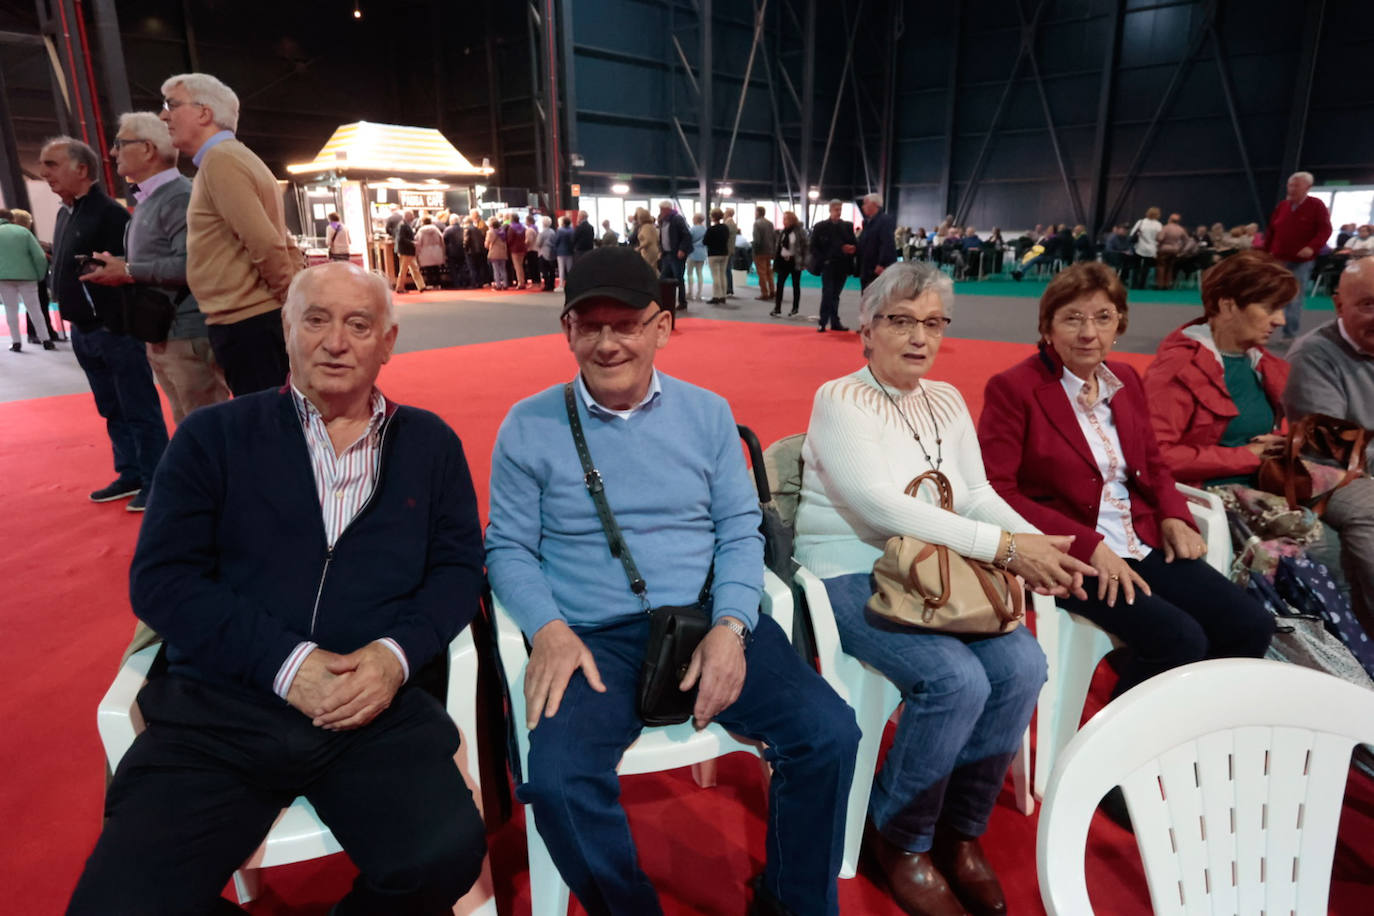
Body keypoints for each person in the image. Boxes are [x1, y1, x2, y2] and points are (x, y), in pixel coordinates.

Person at [66, 261, 488, 915]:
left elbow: (459, 570)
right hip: (222, 709)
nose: (335, 341)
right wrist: (286, 666)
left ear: (388, 342)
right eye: (315, 319)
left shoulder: (429, 444)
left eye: (358, 324)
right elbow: (162, 580)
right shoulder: (214, 437)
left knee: (443, 856)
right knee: (116, 903)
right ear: (286, 331)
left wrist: (394, 657)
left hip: (371, 708)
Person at [485, 245, 859, 916]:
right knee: (560, 782)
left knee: (830, 733)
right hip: (591, 637)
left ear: (662, 327)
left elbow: (739, 531)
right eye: (588, 324)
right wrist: (548, 628)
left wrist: (732, 625)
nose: (607, 343)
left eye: (625, 323)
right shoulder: (528, 425)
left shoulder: (707, 414)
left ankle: (795, 902)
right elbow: (507, 547)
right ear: (566, 329)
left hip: (703, 618)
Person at [795, 260, 1091, 916]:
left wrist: (1035, 543)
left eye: (933, 322)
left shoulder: (948, 399)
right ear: (865, 330)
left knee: (1022, 667)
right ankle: (899, 837)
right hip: (854, 569)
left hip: (938, 571)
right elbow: (880, 508)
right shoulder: (839, 399)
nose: (919, 337)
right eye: (901, 321)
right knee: (955, 681)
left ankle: (960, 831)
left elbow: (978, 494)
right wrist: (1009, 550)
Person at [978, 262, 1273, 705]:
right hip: (1069, 553)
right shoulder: (1014, 388)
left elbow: (1153, 462)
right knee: (1178, 639)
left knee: (1251, 625)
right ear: (1047, 327)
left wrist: (1173, 515)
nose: (1088, 332)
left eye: (1103, 317)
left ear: (1120, 324)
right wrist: (1086, 544)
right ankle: (1110, 761)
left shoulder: (1126, 380)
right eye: (1072, 318)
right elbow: (999, 489)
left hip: (1141, 539)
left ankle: (1191, 729)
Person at [40, 137, 170, 510]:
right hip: (82, 329)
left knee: (137, 406)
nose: (45, 172)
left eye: (52, 164)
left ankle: (154, 479)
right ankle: (130, 472)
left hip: (115, 328)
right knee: (111, 407)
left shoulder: (110, 214)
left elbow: (133, 267)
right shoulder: (67, 213)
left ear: (81, 170)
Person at [80, 112, 228, 426]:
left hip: (186, 335)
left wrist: (128, 270)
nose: (113, 152)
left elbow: (192, 265)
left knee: (206, 429)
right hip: (165, 333)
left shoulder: (179, 198)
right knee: (192, 427)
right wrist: (120, 267)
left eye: (120, 143)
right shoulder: (154, 199)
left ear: (148, 149)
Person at [159, 72, 299, 395]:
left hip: (248, 323)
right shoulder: (232, 158)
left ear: (204, 113)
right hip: (252, 320)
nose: (164, 115)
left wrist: (290, 301)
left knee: (264, 425)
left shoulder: (221, 161)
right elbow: (279, 240)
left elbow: (266, 243)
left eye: (172, 105)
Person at [1144, 250, 1295, 487]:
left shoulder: (1264, 364)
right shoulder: (1177, 368)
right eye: (1270, 308)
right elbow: (1155, 455)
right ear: (1227, 306)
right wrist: (1247, 456)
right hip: (1205, 497)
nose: (1281, 321)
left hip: (1268, 481)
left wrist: (1283, 444)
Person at [1284, 257, 1374, 639]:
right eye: (1368, 304)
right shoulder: (1314, 355)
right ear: (1338, 305)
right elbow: (1331, 448)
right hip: (1332, 473)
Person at [1257, 171, 1332, 341]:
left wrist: (1312, 247)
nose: (1291, 189)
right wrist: (1265, 252)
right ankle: (1261, 330)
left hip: (1301, 261)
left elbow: (1325, 230)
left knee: (1294, 296)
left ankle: (1289, 334)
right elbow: (1272, 231)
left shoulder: (1316, 205)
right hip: (1278, 258)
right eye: (1290, 185)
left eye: (1296, 185)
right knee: (1271, 294)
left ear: (1308, 187)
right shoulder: (1282, 206)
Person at [0, 207, 54, 351]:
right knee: (35, 309)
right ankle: (46, 340)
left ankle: (16, 342)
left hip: (3, 278)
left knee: (10, 309)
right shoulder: (24, 232)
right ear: (11, 219)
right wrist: (39, 274)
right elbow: (39, 257)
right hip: (27, 276)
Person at [811, 200, 857, 332]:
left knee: (835, 295)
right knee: (827, 293)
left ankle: (835, 322)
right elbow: (813, 247)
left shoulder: (847, 226)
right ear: (830, 210)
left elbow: (854, 243)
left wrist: (852, 248)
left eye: (840, 209)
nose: (839, 212)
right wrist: (823, 259)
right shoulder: (820, 226)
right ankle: (823, 322)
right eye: (836, 209)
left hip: (842, 265)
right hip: (828, 265)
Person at [856, 192, 896, 291]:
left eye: (865, 203)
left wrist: (882, 264)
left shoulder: (885, 220)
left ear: (874, 205)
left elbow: (887, 243)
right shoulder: (866, 222)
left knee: (876, 298)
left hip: (878, 268)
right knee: (866, 297)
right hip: (866, 267)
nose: (863, 206)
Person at [770, 210, 806, 318]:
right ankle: (777, 308)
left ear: (791, 220)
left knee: (796, 285)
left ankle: (795, 308)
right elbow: (778, 247)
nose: (783, 221)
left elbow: (805, 247)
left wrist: (804, 262)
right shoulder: (782, 232)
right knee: (779, 284)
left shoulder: (799, 232)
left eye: (785, 219)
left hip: (794, 261)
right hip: (782, 261)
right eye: (783, 218)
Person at [656, 200, 691, 311]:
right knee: (663, 280)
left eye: (662, 209)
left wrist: (682, 249)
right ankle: (665, 302)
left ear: (668, 209)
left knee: (679, 279)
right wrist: (661, 250)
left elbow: (687, 235)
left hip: (676, 255)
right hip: (666, 255)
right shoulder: (663, 220)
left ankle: (682, 302)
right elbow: (663, 237)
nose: (660, 211)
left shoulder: (677, 219)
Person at [1128, 206, 1163, 290]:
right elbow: (1160, 238)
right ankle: (1142, 285)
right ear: (1158, 215)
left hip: (1139, 247)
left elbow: (1132, 233)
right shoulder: (1158, 225)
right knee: (1146, 268)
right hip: (1151, 249)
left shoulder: (1141, 222)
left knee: (1136, 267)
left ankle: (1134, 285)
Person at [393, 210, 426, 294]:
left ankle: (421, 286)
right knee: (404, 270)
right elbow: (401, 239)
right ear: (407, 216)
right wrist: (412, 242)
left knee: (414, 268)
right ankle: (400, 288)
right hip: (405, 251)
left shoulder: (404, 224)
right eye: (411, 215)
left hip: (407, 251)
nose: (413, 217)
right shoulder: (403, 225)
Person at [1154, 213, 1189, 290]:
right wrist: (1180, 248)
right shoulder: (1181, 229)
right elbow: (1186, 241)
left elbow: (1160, 238)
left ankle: (1160, 285)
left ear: (1170, 219)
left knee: (1161, 267)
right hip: (1175, 250)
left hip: (1164, 249)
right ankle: (1167, 284)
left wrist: (1157, 240)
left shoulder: (1166, 228)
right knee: (1170, 267)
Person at [704, 207, 731, 305]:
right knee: (723, 274)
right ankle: (723, 296)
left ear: (713, 217)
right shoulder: (725, 228)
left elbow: (705, 241)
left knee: (715, 275)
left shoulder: (711, 229)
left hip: (713, 254)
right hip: (724, 253)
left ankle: (716, 296)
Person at [752, 205, 777, 300]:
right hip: (769, 251)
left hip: (760, 251)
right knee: (769, 272)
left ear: (758, 213)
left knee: (761, 273)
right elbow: (774, 238)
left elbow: (757, 239)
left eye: (755, 212)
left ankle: (764, 293)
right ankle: (772, 291)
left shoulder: (756, 224)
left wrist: (754, 250)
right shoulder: (770, 223)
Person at [415, 216, 445, 289]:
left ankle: (430, 284)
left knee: (428, 269)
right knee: (436, 269)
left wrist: (417, 253)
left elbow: (418, 242)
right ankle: (438, 284)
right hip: (436, 250)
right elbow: (442, 240)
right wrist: (443, 251)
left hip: (425, 251)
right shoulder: (436, 229)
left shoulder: (421, 230)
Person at [687, 212, 707, 301]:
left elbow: (688, 240)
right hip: (702, 253)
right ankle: (699, 293)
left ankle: (690, 293)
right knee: (700, 273)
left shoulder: (692, 229)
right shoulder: (705, 229)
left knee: (690, 273)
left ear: (695, 219)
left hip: (692, 252)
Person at [633, 207, 660, 271]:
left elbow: (648, 241)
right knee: (652, 269)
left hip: (648, 251)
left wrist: (639, 248)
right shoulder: (651, 226)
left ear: (641, 218)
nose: (637, 220)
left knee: (648, 269)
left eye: (638, 218)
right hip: (652, 250)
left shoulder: (646, 227)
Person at [486, 218, 510, 290]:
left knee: (496, 270)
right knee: (503, 269)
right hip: (502, 252)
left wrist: (487, 246)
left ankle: (498, 285)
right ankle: (505, 284)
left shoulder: (490, 232)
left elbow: (487, 244)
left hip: (494, 252)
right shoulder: (503, 232)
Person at [464, 216, 488, 289]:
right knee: (479, 267)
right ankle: (480, 283)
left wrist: (465, 249)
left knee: (472, 268)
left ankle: (474, 283)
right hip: (480, 251)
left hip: (471, 251)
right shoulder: (477, 229)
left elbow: (466, 241)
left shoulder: (467, 229)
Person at [506, 212, 528, 289]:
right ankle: (522, 281)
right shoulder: (523, 227)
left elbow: (509, 239)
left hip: (515, 249)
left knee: (517, 266)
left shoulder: (511, 228)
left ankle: (521, 283)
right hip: (523, 248)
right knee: (521, 265)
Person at [444, 214, 467, 288]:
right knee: (462, 268)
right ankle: (463, 283)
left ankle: (456, 284)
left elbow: (444, 240)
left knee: (453, 269)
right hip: (461, 251)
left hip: (451, 252)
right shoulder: (463, 229)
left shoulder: (448, 229)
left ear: (451, 221)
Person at [536, 215, 557, 292]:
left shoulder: (542, 233)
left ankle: (547, 285)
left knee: (544, 270)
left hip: (543, 253)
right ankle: (552, 284)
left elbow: (538, 243)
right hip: (552, 252)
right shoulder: (553, 232)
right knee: (552, 270)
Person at [554, 215, 576, 287]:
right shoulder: (572, 230)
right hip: (570, 251)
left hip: (561, 252)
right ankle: (571, 283)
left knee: (561, 269)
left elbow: (556, 241)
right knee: (569, 269)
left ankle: (561, 284)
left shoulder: (560, 230)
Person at [723, 206, 739, 297]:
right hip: (730, 249)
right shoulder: (731, 222)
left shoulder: (728, 223)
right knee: (727, 269)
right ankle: (729, 288)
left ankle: (728, 288)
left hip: (727, 250)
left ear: (728, 213)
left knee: (727, 270)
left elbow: (725, 237)